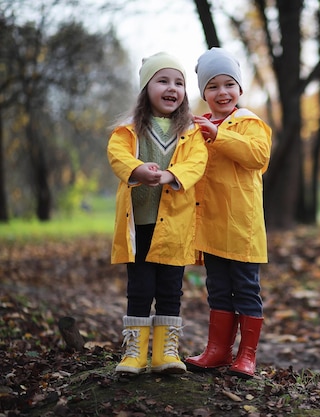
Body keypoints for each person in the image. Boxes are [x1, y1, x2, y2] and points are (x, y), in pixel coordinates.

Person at [107, 52, 208, 375]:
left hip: (176, 226)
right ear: (145, 88)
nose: (172, 88)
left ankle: (166, 353)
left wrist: (169, 175)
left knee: (170, 288)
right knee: (139, 287)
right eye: (162, 80)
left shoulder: (190, 132)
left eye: (179, 83)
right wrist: (138, 169)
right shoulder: (129, 130)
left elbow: (196, 163)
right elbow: (117, 156)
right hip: (140, 223)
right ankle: (135, 353)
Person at [184, 47, 272, 379]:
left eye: (228, 85)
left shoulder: (249, 122)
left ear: (239, 90)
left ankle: (246, 356)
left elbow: (257, 157)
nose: (222, 92)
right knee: (218, 288)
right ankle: (218, 350)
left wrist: (220, 135)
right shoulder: (198, 127)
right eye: (213, 86)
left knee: (246, 287)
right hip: (211, 225)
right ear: (203, 93)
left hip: (242, 226)